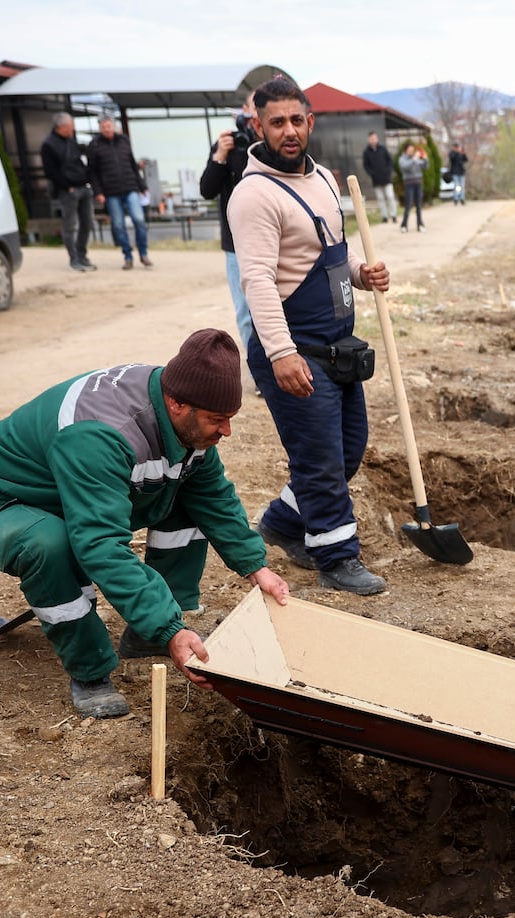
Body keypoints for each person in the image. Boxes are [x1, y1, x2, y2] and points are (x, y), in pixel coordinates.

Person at [0, 329, 290, 719]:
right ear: (177, 404)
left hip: (71, 492)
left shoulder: (181, 409)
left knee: (185, 498)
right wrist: (171, 628)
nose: (226, 431)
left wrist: (255, 567)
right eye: (217, 420)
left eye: (230, 419)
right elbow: (99, 544)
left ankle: (150, 635)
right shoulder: (101, 433)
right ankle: (90, 670)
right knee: (50, 544)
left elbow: (211, 494)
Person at [227, 75, 391, 596]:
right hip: (294, 349)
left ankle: (280, 522)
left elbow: (327, 257)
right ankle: (336, 557)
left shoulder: (322, 178)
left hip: (337, 346)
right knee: (318, 459)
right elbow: (258, 280)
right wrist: (281, 353)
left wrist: (362, 274)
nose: (289, 130)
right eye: (277, 122)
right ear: (259, 125)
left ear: (310, 121)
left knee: (348, 448)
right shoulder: (253, 196)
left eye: (297, 120)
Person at [198, 93, 258, 348]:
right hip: (236, 245)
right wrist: (220, 156)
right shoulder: (228, 144)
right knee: (246, 313)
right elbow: (207, 190)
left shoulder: (276, 143)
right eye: (254, 107)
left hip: (274, 239)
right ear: (243, 110)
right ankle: (259, 374)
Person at [86, 113, 151, 270]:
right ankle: (127, 256)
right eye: (103, 127)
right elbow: (92, 172)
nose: (106, 129)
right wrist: (98, 192)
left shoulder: (124, 141)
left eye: (108, 125)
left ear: (113, 126)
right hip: (110, 192)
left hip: (130, 188)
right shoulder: (94, 146)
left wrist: (141, 186)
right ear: (100, 128)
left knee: (139, 220)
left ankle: (143, 253)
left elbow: (132, 165)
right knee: (118, 225)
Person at [40, 112, 96, 272]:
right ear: (62, 127)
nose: (73, 129)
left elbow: (78, 162)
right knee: (70, 226)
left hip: (83, 187)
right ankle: (74, 259)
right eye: (70, 126)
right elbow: (50, 171)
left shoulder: (71, 141)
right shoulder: (48, 145)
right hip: (68, 191)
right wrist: (67, 186)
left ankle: (82, 255)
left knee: (87, 223)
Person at [362, 131, 396, 223]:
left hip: (386, 178)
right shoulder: (366, 152)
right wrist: (372, 174)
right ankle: (384, 216)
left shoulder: (383, 149)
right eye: (371, 139)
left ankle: (393, 215)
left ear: (377, 138)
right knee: (380, 199)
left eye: (374, 138)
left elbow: (390, 161)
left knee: (390, 196)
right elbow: (366, 165)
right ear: (369, 140)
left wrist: (388, 171)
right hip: (376, 180)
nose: (373, 140)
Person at [397, 143, 425, 232]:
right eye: (410, 150)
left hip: (418, 183)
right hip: (409, 184)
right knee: (408, 205)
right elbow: (406, 167)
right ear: (406, 150)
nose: (411, 152)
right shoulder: (402, 159)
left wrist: (425, 158)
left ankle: (420, 224)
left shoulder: (415, 158)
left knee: (419, 205)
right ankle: (404, 225)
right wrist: (414, 159)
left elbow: (425, 166)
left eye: (412, 150)